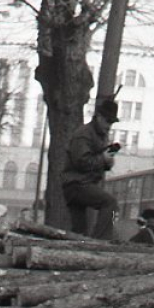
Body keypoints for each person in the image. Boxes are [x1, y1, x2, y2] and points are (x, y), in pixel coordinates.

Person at [62, 99, 121, 239]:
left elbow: (94, 159)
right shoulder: (84, 134)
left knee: (79, 231)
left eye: (111, 123)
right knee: (110, 203)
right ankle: (99, 241)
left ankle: (77, 252)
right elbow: (81, 162)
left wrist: (108, 162)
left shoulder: (98, 135)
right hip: (77, 184)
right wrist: (103, 159)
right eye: (107, 122)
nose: (109, 126)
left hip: (76, 184)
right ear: (99, 117)